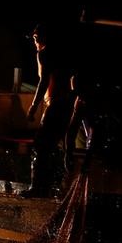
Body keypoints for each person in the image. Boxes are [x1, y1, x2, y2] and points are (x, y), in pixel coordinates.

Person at [20, 24, 76, 198]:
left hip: (55, 103)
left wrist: (33, 106)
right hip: (68, 104)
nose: (35, 42)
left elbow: (44, 81)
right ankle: (57, 187)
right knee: (56, 147)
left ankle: (38, 188)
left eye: (37, 38)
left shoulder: (44, 54)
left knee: (40, 146)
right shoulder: (65, 54)